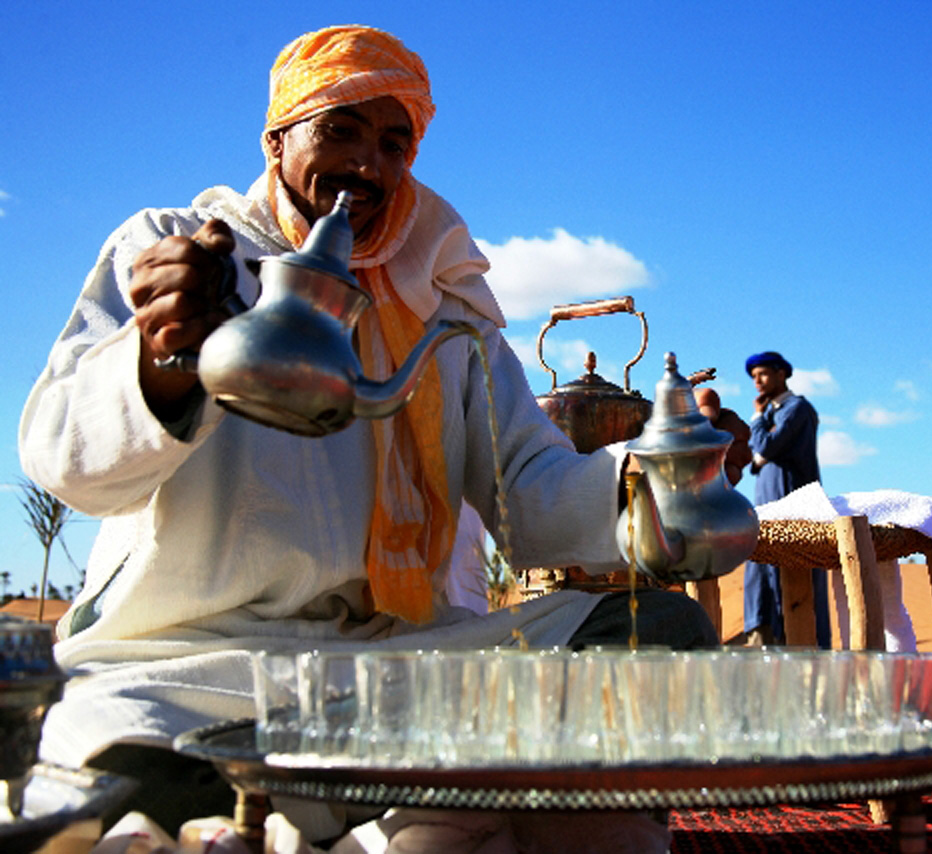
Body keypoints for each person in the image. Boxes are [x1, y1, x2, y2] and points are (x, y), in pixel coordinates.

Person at [19, 25, 746, 841]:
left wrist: (656, 483)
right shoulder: (181, 253)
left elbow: (527, 494)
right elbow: (66, 466)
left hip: (410, 668)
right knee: (118, 790)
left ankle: (400, 818)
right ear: (275, 139)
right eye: (340, 131)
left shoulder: (443, 299)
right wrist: (162, 358)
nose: (368, 165)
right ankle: (428, 819)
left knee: (656, 635)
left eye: (393, 143)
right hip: (193, 670)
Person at [741, 350, 830, 647]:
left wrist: (755, 419)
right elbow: (755, 461)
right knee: (762, 586)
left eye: (763, 374)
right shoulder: (771, 414)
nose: (758, 381)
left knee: (798, 586)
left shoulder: (796, 409)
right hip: (766, 514)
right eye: (754, 377)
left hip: (796, 511)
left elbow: (766, 446)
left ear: (782, 374)